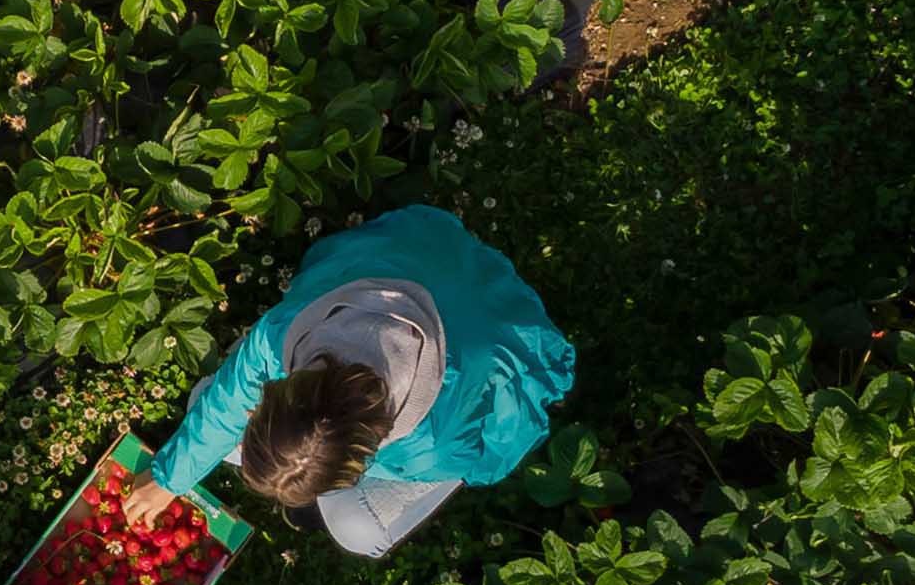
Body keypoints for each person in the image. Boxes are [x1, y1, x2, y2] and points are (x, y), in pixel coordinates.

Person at [122, 203, 575, 558]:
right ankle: (315, 478)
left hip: (470, 317)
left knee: (357, 531)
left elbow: (492, 456)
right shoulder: (277, 336)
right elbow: (225, 402)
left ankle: (345, 495)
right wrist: (167, 480)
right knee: (207, 402)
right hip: (436, 264)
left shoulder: (435, 445)